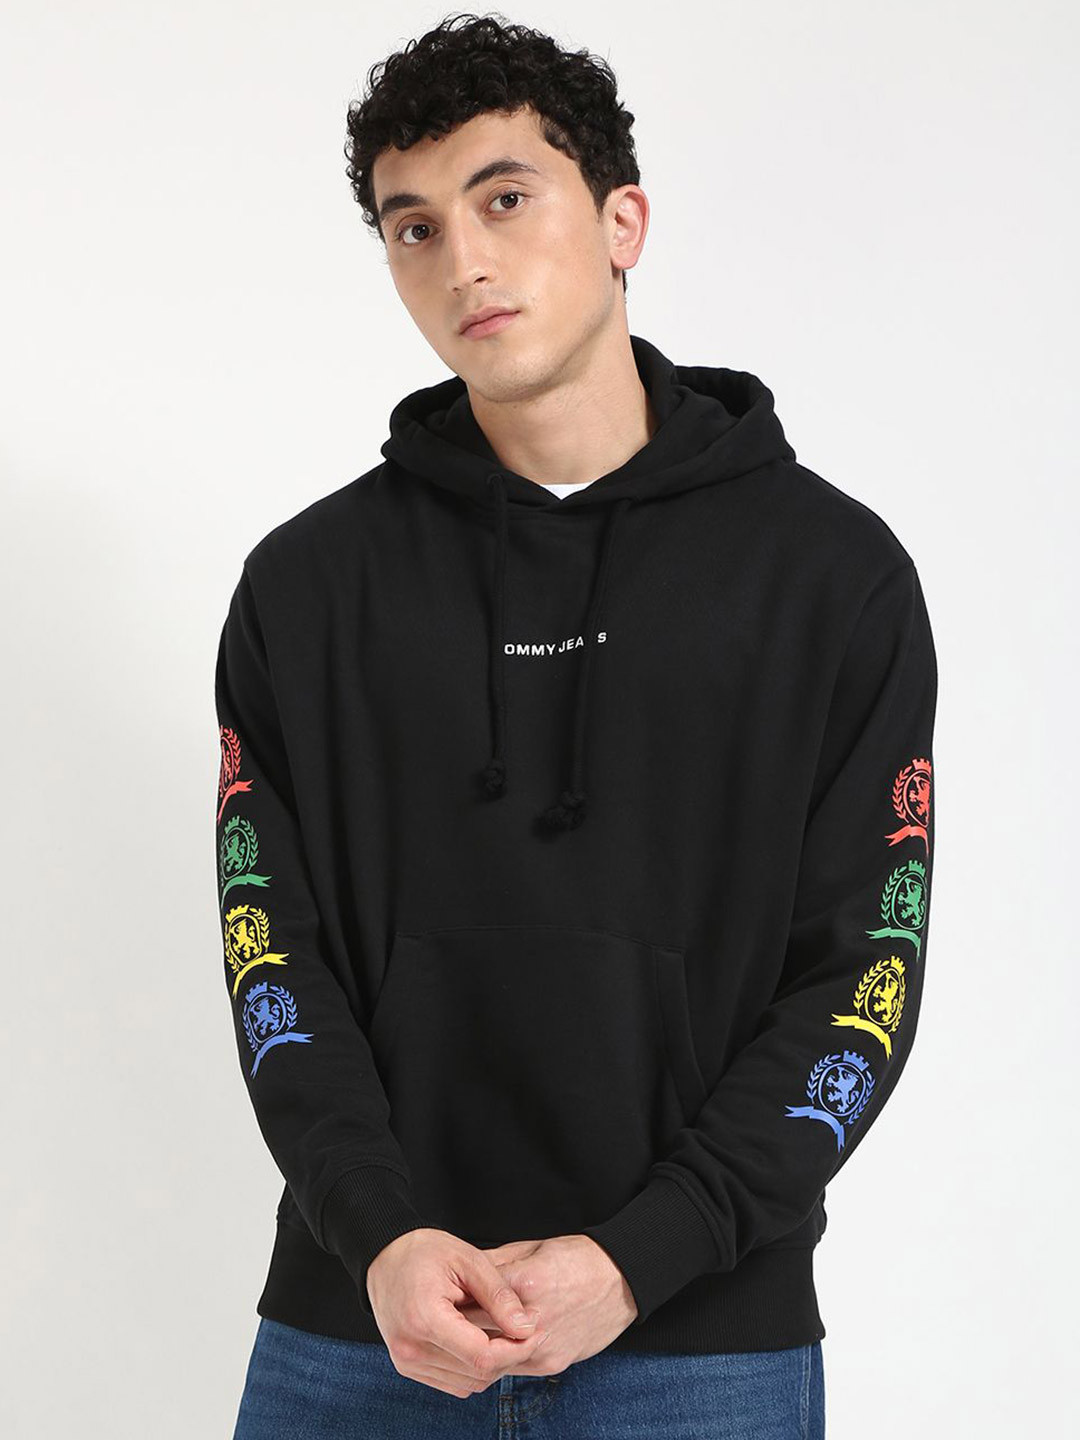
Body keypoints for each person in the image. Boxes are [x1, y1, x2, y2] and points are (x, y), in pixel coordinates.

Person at [218, 13, 937, 1438]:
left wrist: (642, 1255)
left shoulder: (831, 577)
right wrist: (380, 1235)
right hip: (360, 1328)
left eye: (505, 198)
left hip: (700, 1343)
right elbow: (267, 949)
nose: (463, 262)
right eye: (413, 227)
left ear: (623, 222)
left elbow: (868, 967)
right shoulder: (305, 588)